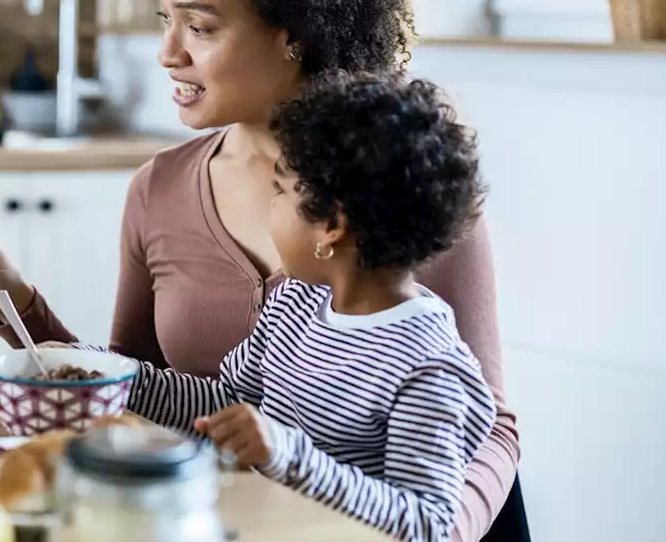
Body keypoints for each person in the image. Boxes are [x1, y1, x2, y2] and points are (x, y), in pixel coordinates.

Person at [0, 0, 520, 542]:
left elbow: (488, 425)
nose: (168, 52)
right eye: (166, 19)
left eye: (198, 25)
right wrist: (18, 302)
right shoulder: (159, 190)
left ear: (294, 30)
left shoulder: (402, 188)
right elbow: (135, 391)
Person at [129, 71, 495, 542]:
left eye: (279, 190)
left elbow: (426, 522)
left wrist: (287, 455)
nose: (268, 207)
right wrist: (124, 380)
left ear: (332, 226)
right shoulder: (295, 303)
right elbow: (229, 403)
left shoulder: (428, 366)